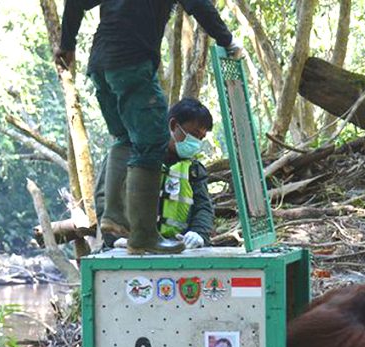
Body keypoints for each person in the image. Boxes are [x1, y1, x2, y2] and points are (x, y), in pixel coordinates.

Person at [56, 0, 243, 254]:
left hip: (100, 63)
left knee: (125, 137)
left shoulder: (191, 168)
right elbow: (199, 5)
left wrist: (67, 44)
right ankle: (143, 236)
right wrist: (228, 41)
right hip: (132, 62)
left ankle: (114, 217)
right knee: (154, 140)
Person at [98, 97, 215, 250]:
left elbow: (204, 207)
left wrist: (198, 233)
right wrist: (115, 239)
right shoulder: (129, 155)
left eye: (201, 138)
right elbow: (103, 197)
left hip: (177, 247)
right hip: (127, 247)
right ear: (173, 125)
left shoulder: (194, 169)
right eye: (194, 134)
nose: (196, 143)